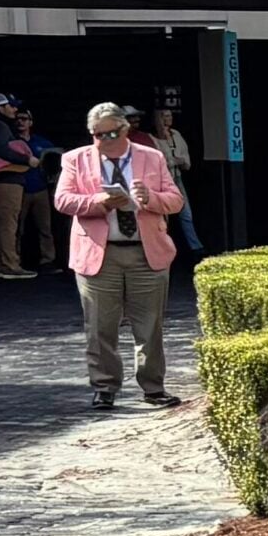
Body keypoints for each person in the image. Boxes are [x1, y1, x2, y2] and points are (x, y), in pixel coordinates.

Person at [56, 102, 184, 411]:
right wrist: (99, 201)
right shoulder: (75, 159)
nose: (103, 140)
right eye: (97, 134)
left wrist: (150, 198)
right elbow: (62, 200)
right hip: (99, 255)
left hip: (145, 253)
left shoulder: (151, 157)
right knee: (100, 326)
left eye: (111, 133)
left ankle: (153, 388)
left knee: (149, 326)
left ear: (126, 130)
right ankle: (105, 387)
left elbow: (176, 200)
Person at [0, 94, 36, 280]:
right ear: (1, 108)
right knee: (8, 224)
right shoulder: (1, 126)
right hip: (7, 182)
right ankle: (11, 266)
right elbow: (2, 150)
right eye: (11, 106)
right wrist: (26, 159)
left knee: (0, 224)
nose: (14, 110)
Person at [147, 107, 200, 255]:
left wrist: (175, 161)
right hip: (161, 181)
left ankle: (195, 248)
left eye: (170, 115)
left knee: (186, 214)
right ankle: (162, 248)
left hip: (177, 178)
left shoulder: (176, 134)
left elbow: (186, 161)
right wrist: (174, 160)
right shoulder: (151, 138)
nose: (168, 118)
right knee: (163, 217)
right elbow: (160, 161)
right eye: (164, 116)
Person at [14, 108, 62, 273]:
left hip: (40, 188)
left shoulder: (42, 142)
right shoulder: (12, 143)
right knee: (17, 229)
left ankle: (48, 260)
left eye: (24, 119)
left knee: (45, 228)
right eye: (18, 119)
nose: (21, 122)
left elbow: (57, 158)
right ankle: (15, 261)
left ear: (30, 122)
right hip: (20, 189)